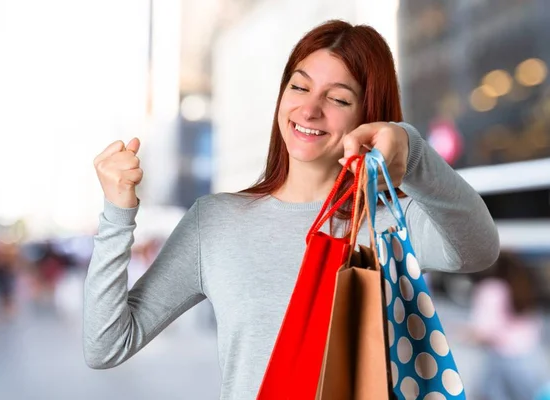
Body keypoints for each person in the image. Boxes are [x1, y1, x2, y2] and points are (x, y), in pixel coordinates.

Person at [83, 20, 500, 399]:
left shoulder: (390, 222)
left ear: (368, 116)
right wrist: (117, 215)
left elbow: (480, 248)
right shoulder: (214, 223)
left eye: (337, 98)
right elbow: (106, 345)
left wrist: (410, 153)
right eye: (299, 87)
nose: (309, 109)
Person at [465, 251, 549, 400]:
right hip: (531, 359)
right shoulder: (524, 285)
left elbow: (484, 331)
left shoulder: (490, 288)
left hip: (502, 361)